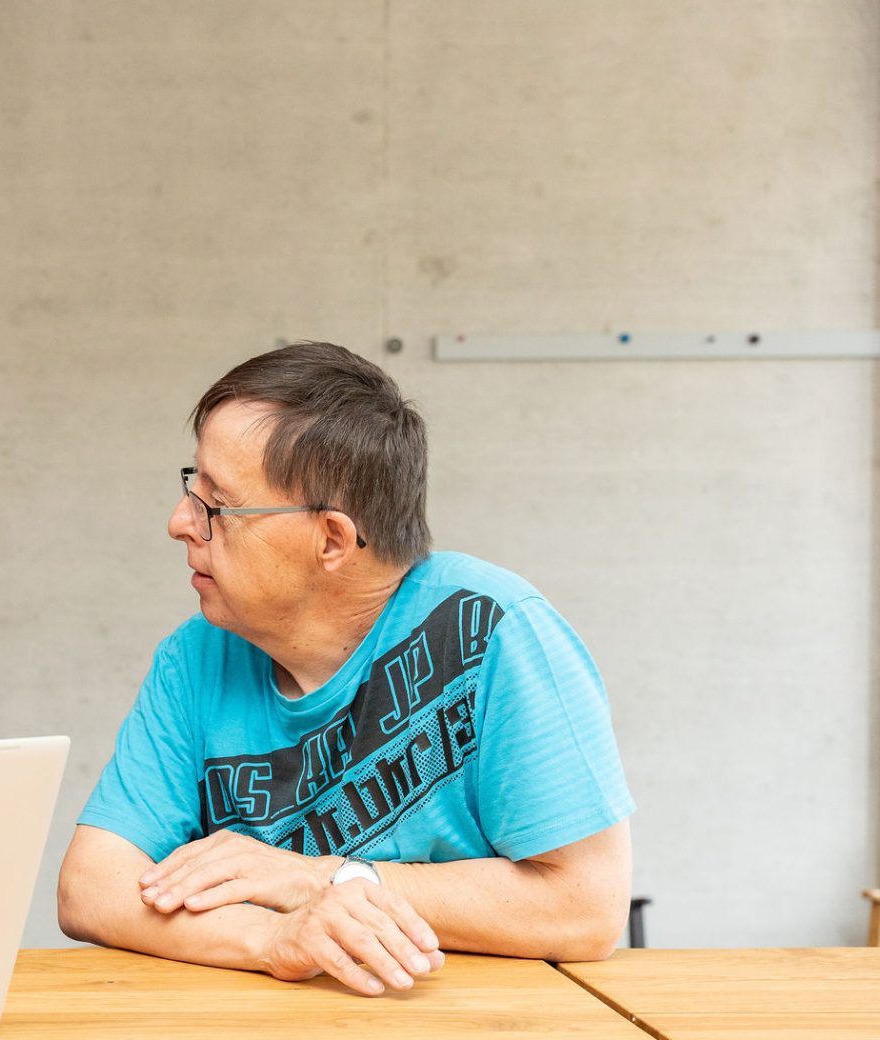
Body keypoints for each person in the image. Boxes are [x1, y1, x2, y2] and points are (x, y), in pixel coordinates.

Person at [57, 342, 633, 997]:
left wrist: (321, 876)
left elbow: (588, 907)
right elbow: (90, 888)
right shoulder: (196, 657)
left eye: (217, 506)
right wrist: (271, 939)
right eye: (191, 487)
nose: (180, 523)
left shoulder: (489, 628)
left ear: (331, 538)